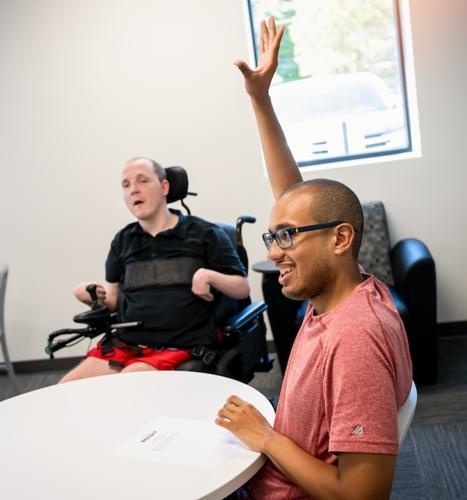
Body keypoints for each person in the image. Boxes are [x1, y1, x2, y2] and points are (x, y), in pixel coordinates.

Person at [215, 18, 412, 499]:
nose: (272, 251)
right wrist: (260, 99)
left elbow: (362, 496)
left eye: (285, 236)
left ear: (340, 239)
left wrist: (266, 437)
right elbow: (297, 199)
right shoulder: (342, 288)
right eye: (273, 235)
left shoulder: (355, 339)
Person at [60, 157, 249, 383]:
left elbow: (242, 288)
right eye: (126, 185)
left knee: (125, 384)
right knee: (65, 389)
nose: (133, 190)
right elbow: (112, 300)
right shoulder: (123, 240)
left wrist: (209, 275)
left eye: (142, 181)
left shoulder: (205, 233)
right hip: (126, 343)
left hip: (179, 344)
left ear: (164, 187)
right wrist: (89, 294)